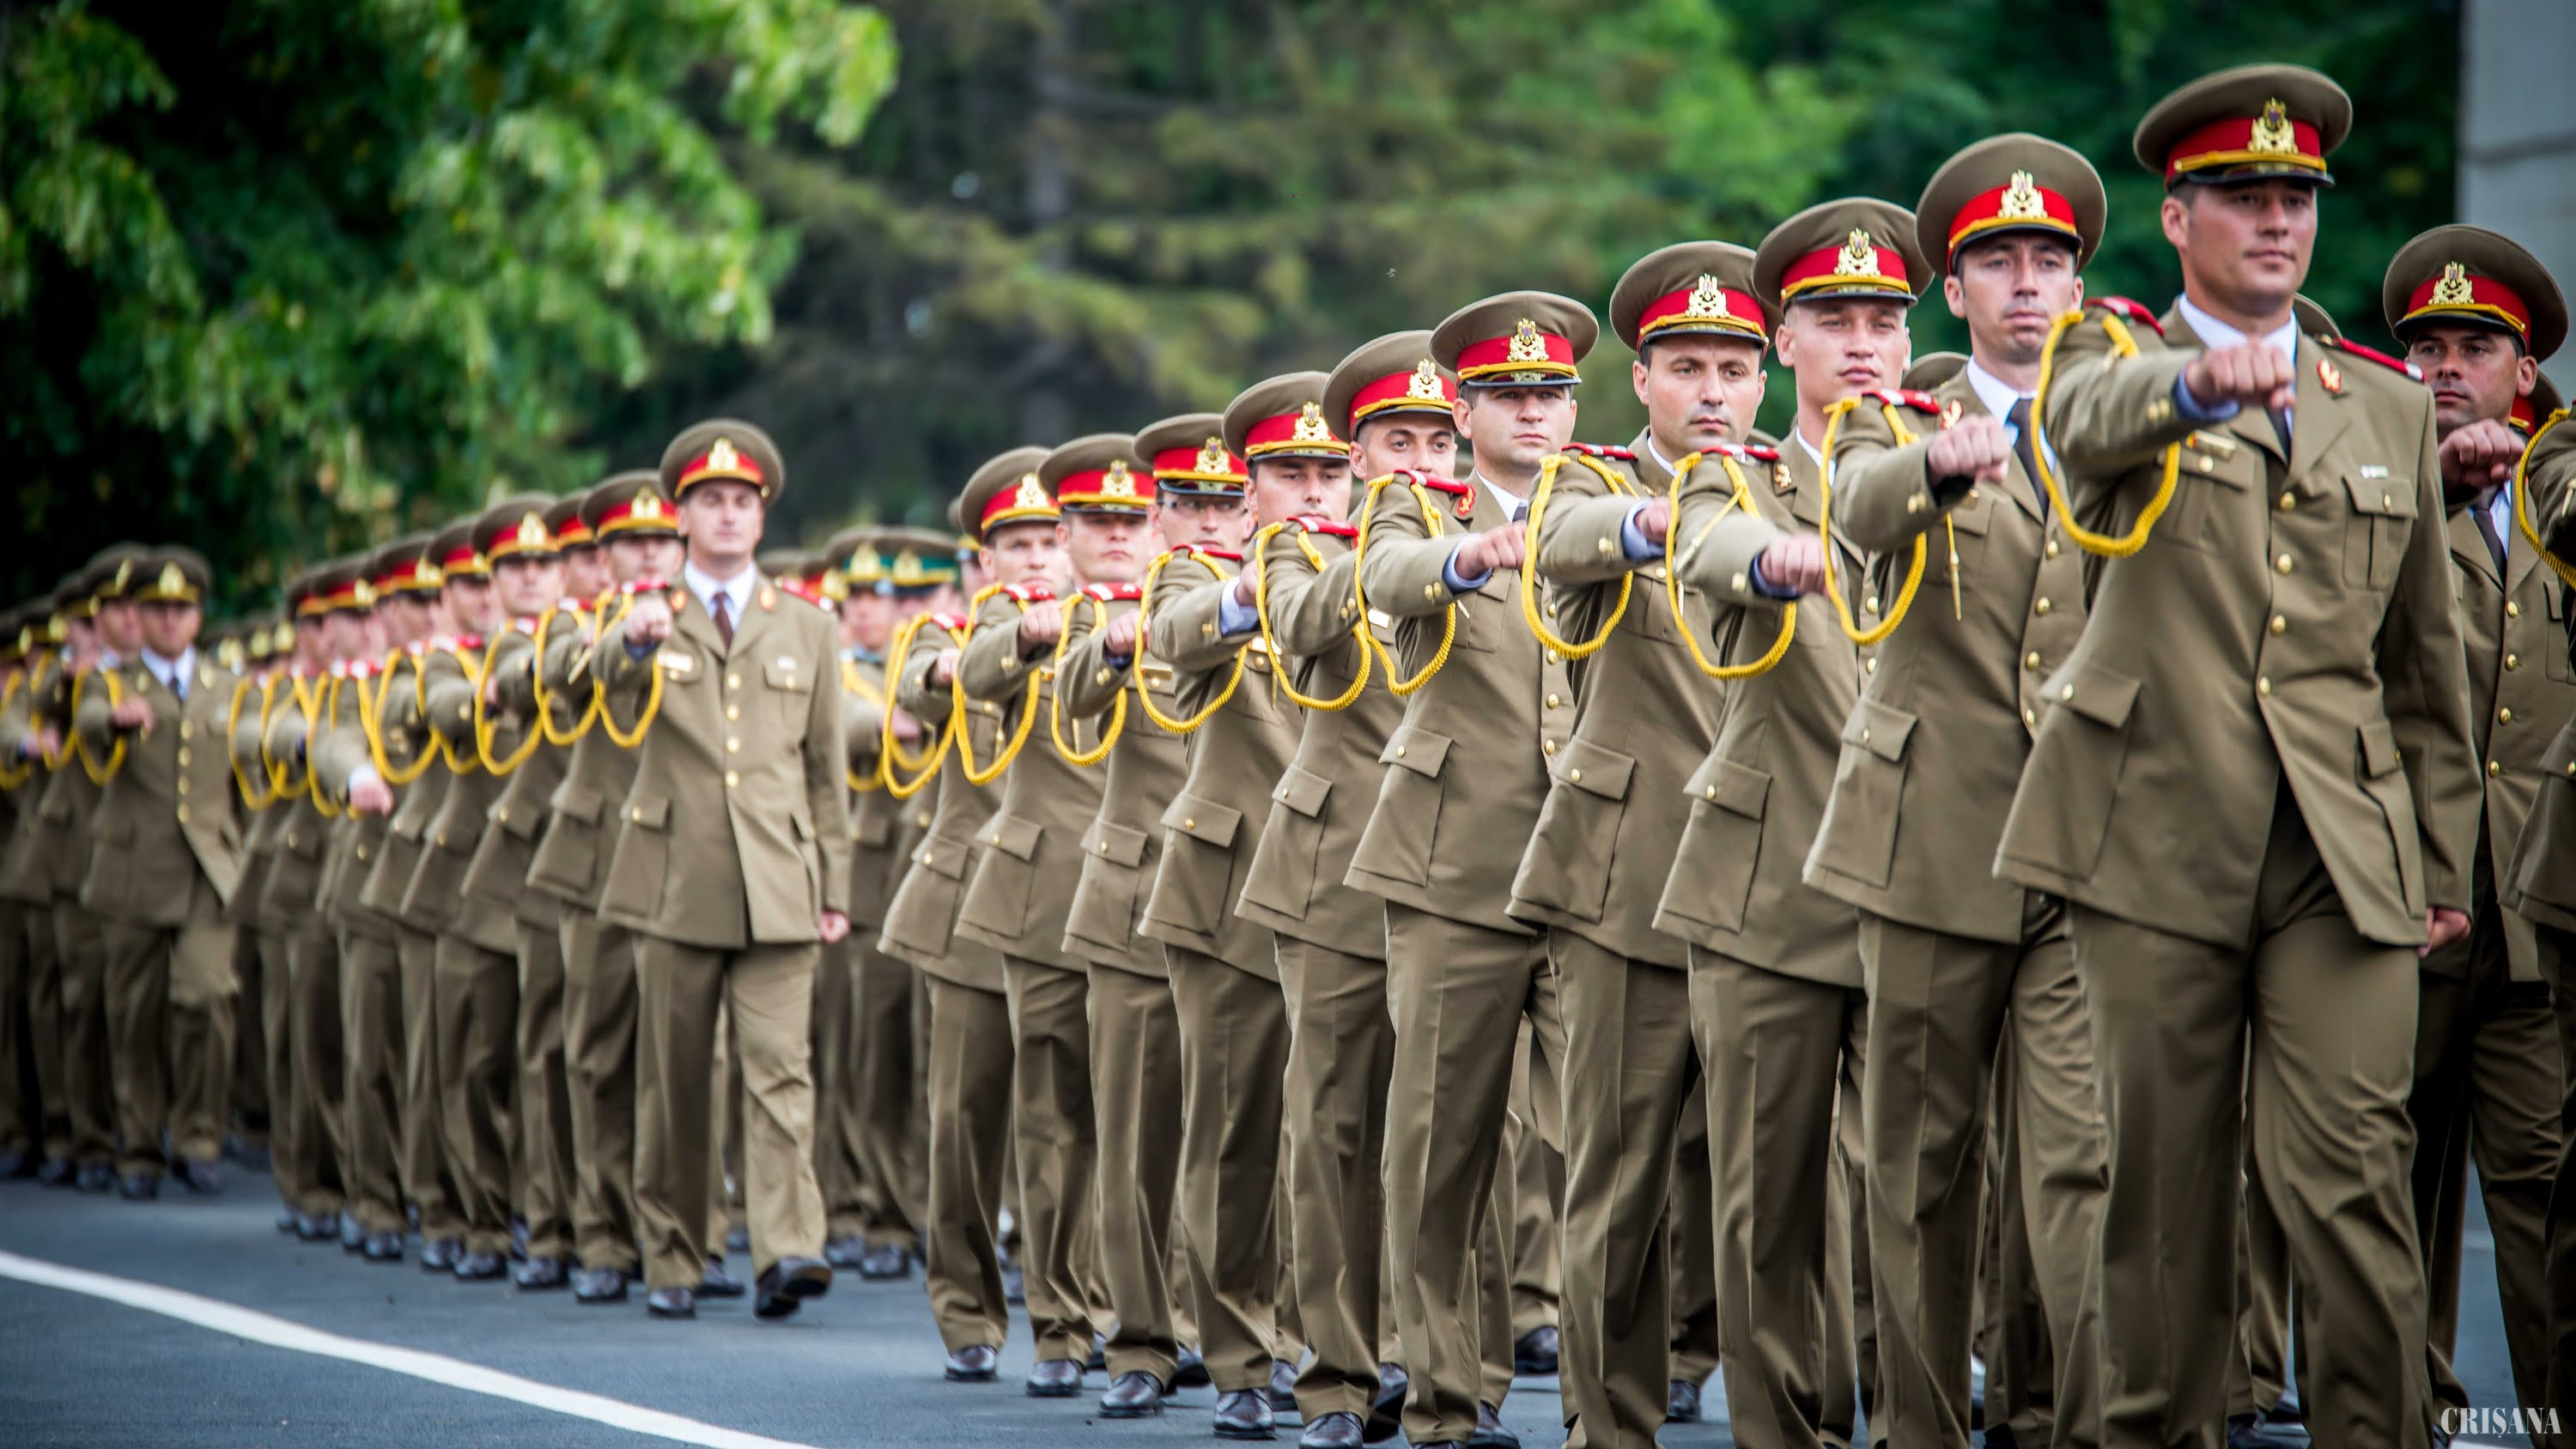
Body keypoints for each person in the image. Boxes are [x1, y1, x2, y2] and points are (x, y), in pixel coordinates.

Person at [2007, 64, 2477, 1446]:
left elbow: (2423, 660)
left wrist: (2442, 859)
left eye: (2297, 199)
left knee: (2353, 1177)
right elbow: (2080, 429)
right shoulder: (2104, 361)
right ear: (2179, 217)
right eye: (2244, 196)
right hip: (2154, 834)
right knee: (2162, 1199)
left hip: (2340, 849)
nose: (2278, 221)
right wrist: (2195, 386)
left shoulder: (2384, 405)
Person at [1814, 136, 2115, 1449]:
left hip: (2086, 845)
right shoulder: (1895, 422)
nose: (2028, 281)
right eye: (1998, 260)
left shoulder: (2126, 424)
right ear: (1956, 291)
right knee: (1923, 1171)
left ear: (2080, 283)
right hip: (1932, 839)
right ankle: (1921, 1427)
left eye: (2050, 258)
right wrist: (1943, 467)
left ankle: (2078, 1422)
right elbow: (1857, 506)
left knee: (2083, 1163)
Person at [1667, 198, 1928, 1449]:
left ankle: (1922, 1423)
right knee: (1767, 1200)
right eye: (1833, 319)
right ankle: (1784, 1432)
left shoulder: (1952, 466)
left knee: (1923, 1196)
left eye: (1884, 319)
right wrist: (1771, 561)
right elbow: (1708, 544)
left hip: (1924, 872)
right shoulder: (1737, 477)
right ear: (1785, 345)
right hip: (1770, 879)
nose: (1863, 342)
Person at [1513, 239, 1766, 1448]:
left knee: (1771, 1177)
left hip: (1771, 876)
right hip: (1632, 875)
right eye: (1686, 368)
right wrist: (1664, 522)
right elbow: (1564, 542)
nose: (1712, 391)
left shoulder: (1802, 486)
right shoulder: (1588, 484)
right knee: (1616, 1171)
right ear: (1643, 382)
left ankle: (1744, 1380)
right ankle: (1606, 1421)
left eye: (1733, 368)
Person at [1352, 293, 1595, 1449]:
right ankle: (1448, 1398)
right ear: (1464, 411)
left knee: (1605, 1142)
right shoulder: (1413, 507)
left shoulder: (1603, 504)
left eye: (1551, 393)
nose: (1533, 412)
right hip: (1456, 865)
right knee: (1442, 1147)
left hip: (1588, 865)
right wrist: (1463, 558)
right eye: (1508, 394)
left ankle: (1609, 1399)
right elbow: (1391, 574)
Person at [1245, 331, 1461, 1448]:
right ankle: (1335, 1375)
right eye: (1396, 442)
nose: (1419, 462)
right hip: (1334, 868)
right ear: (1358, 457)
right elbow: (1296, 621)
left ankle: (1448, 1374)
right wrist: (1388, 549)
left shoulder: (1498, 533)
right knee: (1330, 1125)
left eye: (1437, 440)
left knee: (1450, 1130)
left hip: (1453, 857)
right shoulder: (1303, 550)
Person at [2391, 226, 2574, 1421]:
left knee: (2547, 1191)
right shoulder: (2370, 498)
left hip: (2532, 913)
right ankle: (2407, 1421)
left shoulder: (2566, 504)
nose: (2448, 367)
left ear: (2525, 369)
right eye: (2427, 348)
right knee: (2389, 1188)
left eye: (2475, 346)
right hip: (2401, 904)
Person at [1052, 412, 1249, 1417]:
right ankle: (1139, 1337)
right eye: (1190, 503)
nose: (1210, 518)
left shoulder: (1287, 596)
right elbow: (1073, 699)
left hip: (1244, 894)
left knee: (1246, 1134)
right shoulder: (1117, 608)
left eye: (1226, 501)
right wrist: (1114, 645)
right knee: (1136, 1137)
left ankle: (1243, 1332)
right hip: (1135, 896)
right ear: (1159, 514)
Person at [882, 446, 1050, 1378]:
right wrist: (967, 661)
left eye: (1048, 539)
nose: (1035, 558)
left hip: (1064, 899)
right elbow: (919, 688)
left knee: (1071, 1125)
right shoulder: (947, 637)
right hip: (968, 910)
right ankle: (968, 1312)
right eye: (1015, 543)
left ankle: (1082, 1315)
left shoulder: (1105, 630)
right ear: (984, 559)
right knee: (965, 1121)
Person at [466, 493, 611, 1289]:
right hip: (536, 866)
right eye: (517, 565)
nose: (535, 576)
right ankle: (548, 1225)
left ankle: (612, 1224)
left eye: (547, 562)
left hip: (613, 859)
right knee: (541, 1047)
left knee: (606, 1051)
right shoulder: (530, 644)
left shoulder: (618, 627)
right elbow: (515, 681)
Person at [75, 546, 245, 1198]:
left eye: (181, 609)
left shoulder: (226, 687)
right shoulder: (111, 683)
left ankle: (198, 1136)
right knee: (135, 1013)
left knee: (208, 999)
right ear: (139, 617)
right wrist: (115, 722)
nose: (170, 621)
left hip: (206, 871)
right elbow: (88, 720)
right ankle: (141, 1145)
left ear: (198, 616)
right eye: (157, 609)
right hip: (136, 870)